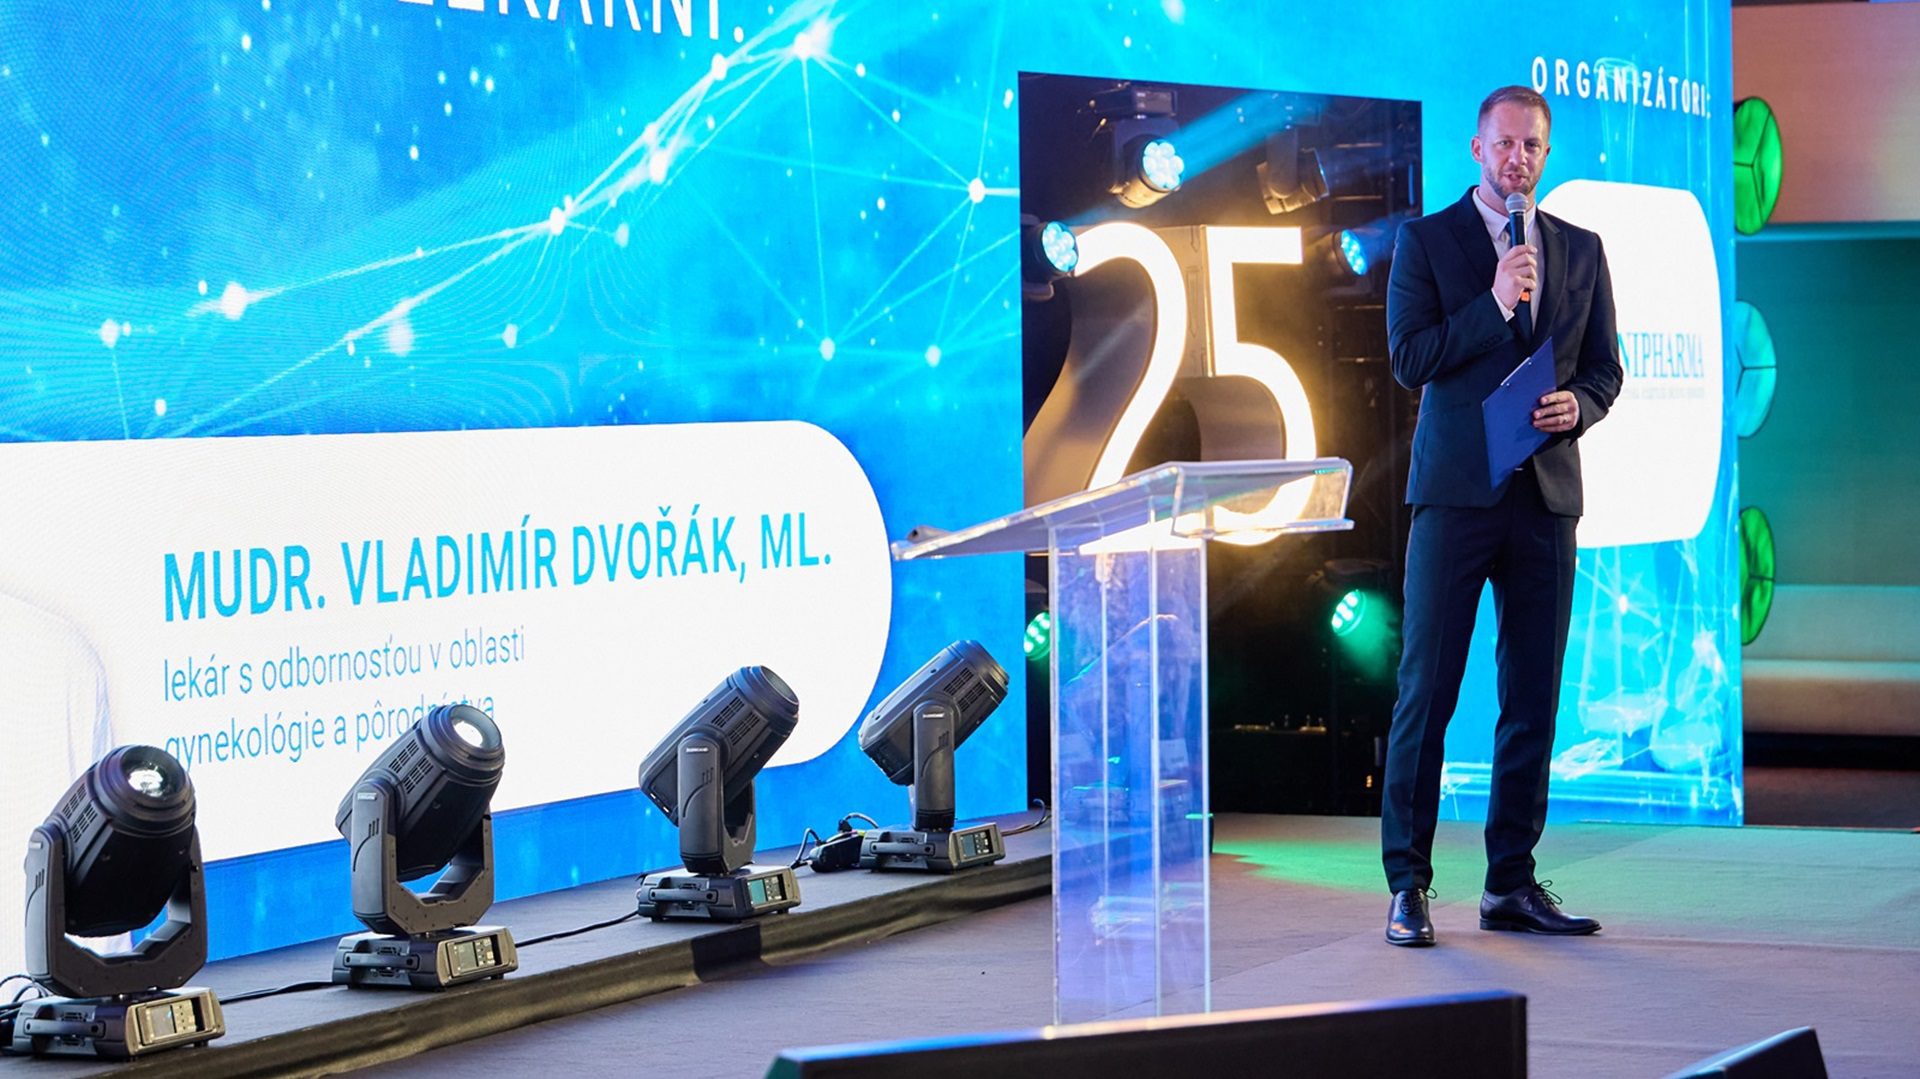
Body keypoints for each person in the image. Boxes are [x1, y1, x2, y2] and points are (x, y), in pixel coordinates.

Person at [1378, 86, 1622, 946]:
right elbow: (1410, 358)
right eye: (1506, 143)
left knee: (1533, 699)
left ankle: (1510, 882)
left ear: (1546, 156)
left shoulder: (1581, 248)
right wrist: (1492, 304)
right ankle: (1407, 885)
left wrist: (1579, 406)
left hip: (1545, 499)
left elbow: (1605, 368)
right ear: (1476, 149)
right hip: (1456, 496)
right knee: (1427, 693)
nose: (1519, 158)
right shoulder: (1427, 241)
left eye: (1533, 146)